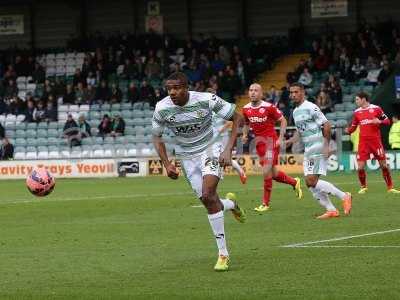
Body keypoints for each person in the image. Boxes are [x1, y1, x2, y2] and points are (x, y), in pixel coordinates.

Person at [152, 72, 245, 272]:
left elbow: (238, 118)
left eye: (176, 88)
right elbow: (157, 137)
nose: (172, 92)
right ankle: (231, 204)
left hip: (211, 148)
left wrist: (228, 149)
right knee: (208, 201)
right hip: (186, 157)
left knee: (207, 194)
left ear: (187, 87)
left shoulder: (206, 99)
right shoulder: (162, 108)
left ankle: (223, 254)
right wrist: (167, 164)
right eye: (169, 89)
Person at [290, 82, 352, 219]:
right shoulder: (295, 112)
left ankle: (344, 196)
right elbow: (300, 132)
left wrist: (326, 145)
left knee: (311, 181)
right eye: (291, 92)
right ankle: (331, 210)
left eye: (296, 92)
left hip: (317, 145)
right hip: (308, 149)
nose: (293, 95)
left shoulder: (311, 107)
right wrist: (287, 141)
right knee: (310, 184)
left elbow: (327, 125)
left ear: (302, 92)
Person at [242, 83, 302, 212]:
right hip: (259, 144)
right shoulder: (246, 109)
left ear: (261, 93)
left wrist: (281, 138)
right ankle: (294, 182)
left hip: (271, 142)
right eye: (251, 90)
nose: (253, 92)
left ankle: (265, 203)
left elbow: (283, 120)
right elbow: (247, 123)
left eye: (256, 90)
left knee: (266, 171)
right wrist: (245, 134)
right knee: (273, 174)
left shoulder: (269, 107)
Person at [346, 92, 400, 194]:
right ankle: (363, 187)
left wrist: (379, 121)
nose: (356, 101)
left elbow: (387, 121)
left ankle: (390, 187)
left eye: (357, 99)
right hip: (363, 143)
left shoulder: (376, 109)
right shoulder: (357, 112)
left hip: (376, 141)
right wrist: (348, 131)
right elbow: (353, 127)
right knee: (360, 167)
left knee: (384, 165)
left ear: (363, 99)